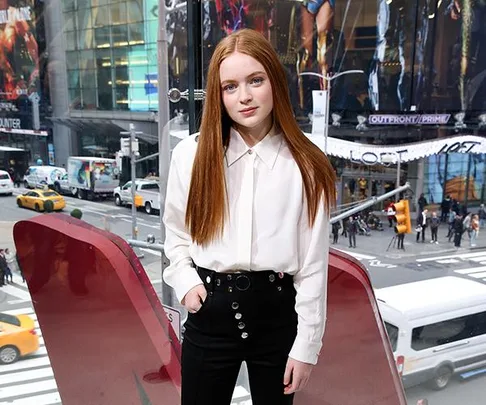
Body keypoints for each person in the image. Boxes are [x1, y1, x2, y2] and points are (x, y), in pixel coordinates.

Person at [162, 29, 336, 405]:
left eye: (255, 80)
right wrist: (186, 283)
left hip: (276, 314)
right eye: (229, 86)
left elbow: (312, 265)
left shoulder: (306, 164)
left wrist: (307, 345)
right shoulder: (191, 155)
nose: (243, 96)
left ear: (274, 81)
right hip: (209, 310)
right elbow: (176, 233)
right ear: (217, 94)